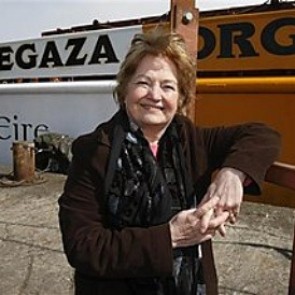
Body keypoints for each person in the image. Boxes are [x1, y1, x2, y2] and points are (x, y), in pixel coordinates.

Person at [58, 30, 281, 295]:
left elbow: (263, 134)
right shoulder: (94, 149)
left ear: (181, 97)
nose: (155, 95)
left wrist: (232, 174)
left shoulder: (191, 140)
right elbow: (83, 246)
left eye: (167, 86)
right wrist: (171, 237)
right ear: (125, 88)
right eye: (143, 82)